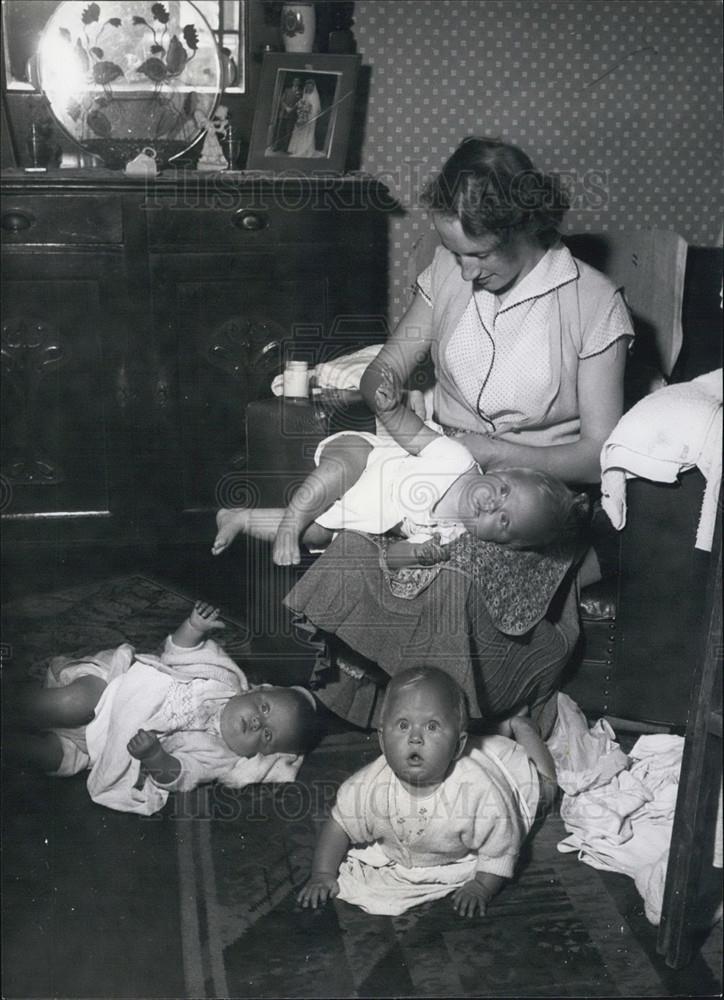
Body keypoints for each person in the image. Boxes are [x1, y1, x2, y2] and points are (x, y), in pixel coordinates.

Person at [359, 136, 634, 486]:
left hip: (532, 490)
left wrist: (498, 455)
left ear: (525, 226)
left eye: (481, 255)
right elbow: (384, 368)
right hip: (438, 463)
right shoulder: (445, 270)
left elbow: (599, 458)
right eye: (455, 252)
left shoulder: (596, 303)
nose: (466, 273)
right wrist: (384, 394)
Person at [212, 364, 590, 566]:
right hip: (364, 456)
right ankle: (289, 523)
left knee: (319, 536)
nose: (494, 504)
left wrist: (417, 556)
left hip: (359, 511)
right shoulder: (457, 459)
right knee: (336, 474)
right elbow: (411, 433)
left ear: (500, 543)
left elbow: (390, 557)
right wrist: (391, 409)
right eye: (504, 491)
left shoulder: (451, 535)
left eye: (504, 521)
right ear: (500, 472)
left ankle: (241, 518)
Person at [4, 601, 319, 814]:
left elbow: (180, 774)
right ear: (257, 690)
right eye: (263, 709)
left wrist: (155, 756)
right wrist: (194, 627)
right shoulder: (222, 680)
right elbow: (180, 653)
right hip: (112, 691)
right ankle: (11, 704)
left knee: (48, 755)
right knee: (71, 703)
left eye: (266, 735)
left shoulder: (221, 757)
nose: (256, 724)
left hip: (99, 747)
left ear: (259, 756)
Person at [297, 666, 557, 916]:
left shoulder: (479, 793)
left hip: (507, 776)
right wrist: (322, 874)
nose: (415, 737)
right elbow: (340, 824)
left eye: (431, 726)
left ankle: (523, 728)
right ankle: (494, 727)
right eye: (402, 725)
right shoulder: (369, 787)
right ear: (381, 740)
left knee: (546, 789)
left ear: (457, 748)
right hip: (464, 751)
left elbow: (500, 846)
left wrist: (482, 886)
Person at [288, 79, 321, 157]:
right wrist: (301, 112)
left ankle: (305, 150)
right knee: (299, 132)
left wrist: (308, 116)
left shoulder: (314, 96)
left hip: (310, 118)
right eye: (307, 86)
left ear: (313, 87)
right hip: (302, 116)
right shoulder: (304, 94)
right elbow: (301, 104)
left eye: (310, 86)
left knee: (307, 133)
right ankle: (297, 149)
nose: (309, 88)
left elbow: (315, 109)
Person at [271, 76, 301, 152]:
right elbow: (282, 100)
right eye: (295, 81)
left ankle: (285, 148)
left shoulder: (300, 92)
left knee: (288, 131)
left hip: (292, 115)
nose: (296, 82)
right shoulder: (287, 90)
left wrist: (292, 109)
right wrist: (286, 108)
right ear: (293, 82)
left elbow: (299, 103)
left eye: (297, 81)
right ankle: (276, 146)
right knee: (280, 130)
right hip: (283, 114)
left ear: (299, 83)